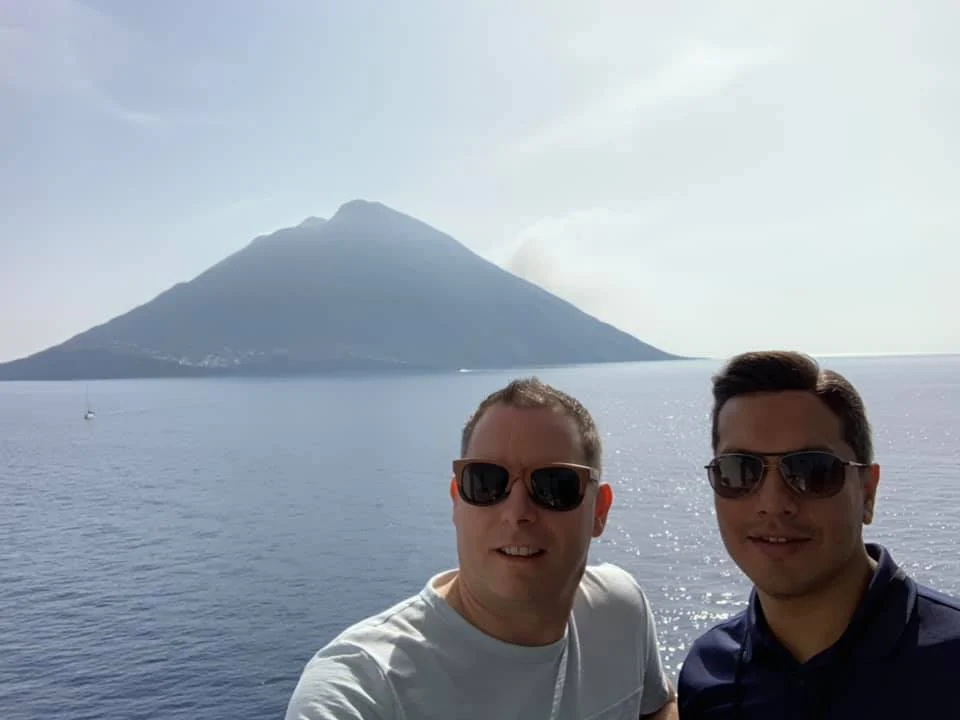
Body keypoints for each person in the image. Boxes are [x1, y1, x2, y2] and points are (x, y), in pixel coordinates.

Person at [286, 377, 678, 719]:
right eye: (486, 481)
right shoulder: (365, 688)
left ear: (600, 510)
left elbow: (655, 709)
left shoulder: (620, 611)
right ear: (457, 500)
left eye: (555, 485)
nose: (517, 512)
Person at [677, 350, 960, 718]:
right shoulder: (708, 674)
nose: (773, 503)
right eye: (739, 470)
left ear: (868, 492)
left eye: (813, 470)